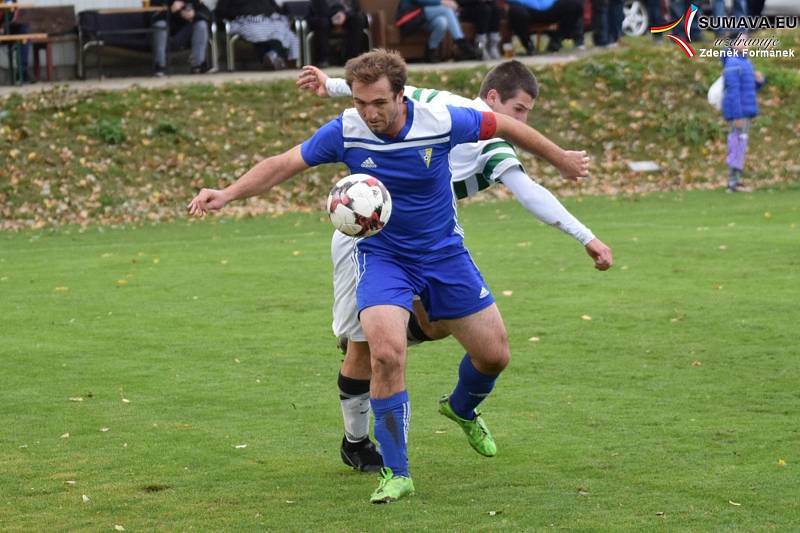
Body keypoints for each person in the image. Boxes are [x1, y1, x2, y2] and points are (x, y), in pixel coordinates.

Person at [188, 49, 592, 503]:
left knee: (494, 355)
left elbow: (506, 126)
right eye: (361, 102)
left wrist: (558, 159)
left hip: (444, 255)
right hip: (382, 257)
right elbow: (284, 163)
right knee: (385, 354)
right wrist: (227, 193)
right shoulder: (347, 129)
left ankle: (460, 408)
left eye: (379, 103)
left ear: (400, 95)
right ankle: (396, 472)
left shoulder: (438, 120)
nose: (370, 113)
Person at [296, 60, 613, 473]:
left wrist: (582, 230)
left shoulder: (471, 129)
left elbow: (530, 191)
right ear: (493, 98)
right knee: (363, 344)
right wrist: (332, 85)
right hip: (367, 235)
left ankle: (411, 348)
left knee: (446, 329)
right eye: (518, 110)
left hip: (431, 245)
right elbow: (378, 95)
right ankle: (356, 441)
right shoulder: (445, 108)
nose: (521, 121)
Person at [721, 34, 765, 193]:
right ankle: (733, 182)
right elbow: (733, 92)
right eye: (742, 41)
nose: (746, 44)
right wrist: (737, 116)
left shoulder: (745, 62)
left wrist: (759, 81)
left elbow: (748, 88)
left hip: (746, 110)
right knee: (736, 144)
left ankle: (736, 180)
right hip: (739, 113)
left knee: (740, 143)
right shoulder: (733, 63)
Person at [215, 0, 300, 70]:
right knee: (258, 33)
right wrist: (245, 12)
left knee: (286, 33)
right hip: (246, 21)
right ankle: (274, 57)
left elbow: (276, 9)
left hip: (268, 20)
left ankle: (274, 57)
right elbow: (221, 12)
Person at [398, 0, 477, 62]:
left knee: (442, 22)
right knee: (446, 10)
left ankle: (430, 52)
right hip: (408, 18)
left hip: (423, 18)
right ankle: (462, 43)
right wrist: (442, 2)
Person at [152, 0, 212, 76]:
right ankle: (160, 66)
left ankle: (198, 65)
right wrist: (170, 10)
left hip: (184, 36)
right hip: (166, 35)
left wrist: (194, 14)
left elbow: (206, 13)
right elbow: (152, 16)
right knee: (160, 25)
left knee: (201, 24)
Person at [506, 0, 584, 54]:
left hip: (550, 6)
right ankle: (528, 45)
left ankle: (556, 41)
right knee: (515, 12)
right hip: (525, 8)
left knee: (575, 4)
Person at [308, 0, 367, 67]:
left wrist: (344, 15)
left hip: (346, 17)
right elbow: (317, 10)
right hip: (324, 17)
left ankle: (351, 58)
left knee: (357, 20)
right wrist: (334, 15)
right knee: (322, 23)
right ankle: (324, 59)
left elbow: (355, 9)